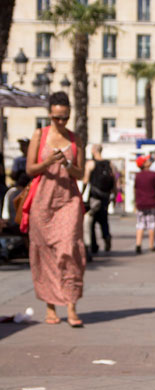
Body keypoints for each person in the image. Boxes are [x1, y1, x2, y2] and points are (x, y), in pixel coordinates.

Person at [25, 91, 86, 327]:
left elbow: (80, 173)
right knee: (45, 252)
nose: (61, 122)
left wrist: (67, 164)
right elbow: (30, 169)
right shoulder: (39, 135)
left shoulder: (75, 139)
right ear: (50, 114)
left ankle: (71, 305)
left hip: (68, 200)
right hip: (42, 201)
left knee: (69, 248)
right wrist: (47, 163)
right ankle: (50, 307)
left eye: (65, 118)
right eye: (57, 118)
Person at [83, 144, 115, 254]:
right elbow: (114, 180)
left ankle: (93, 245)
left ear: (93, 151)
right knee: (104, 220)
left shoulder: (90, 164)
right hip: (105, 196)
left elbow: (86, 180)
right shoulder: (109, 163)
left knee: (90, 220)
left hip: (94, 196)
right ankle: (106, 237)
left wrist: (82, 193)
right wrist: (113, 194)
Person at [134, 155, 155, 253]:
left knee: (140, 224)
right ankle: (151, 245)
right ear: (144, 164)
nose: (149, 161)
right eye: (147, 160)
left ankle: (138, 244)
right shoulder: (154, 174)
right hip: (152, 202)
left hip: (140, 203)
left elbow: (135, 189)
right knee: (152, 225)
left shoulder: (137, 175)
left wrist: (135, 202)